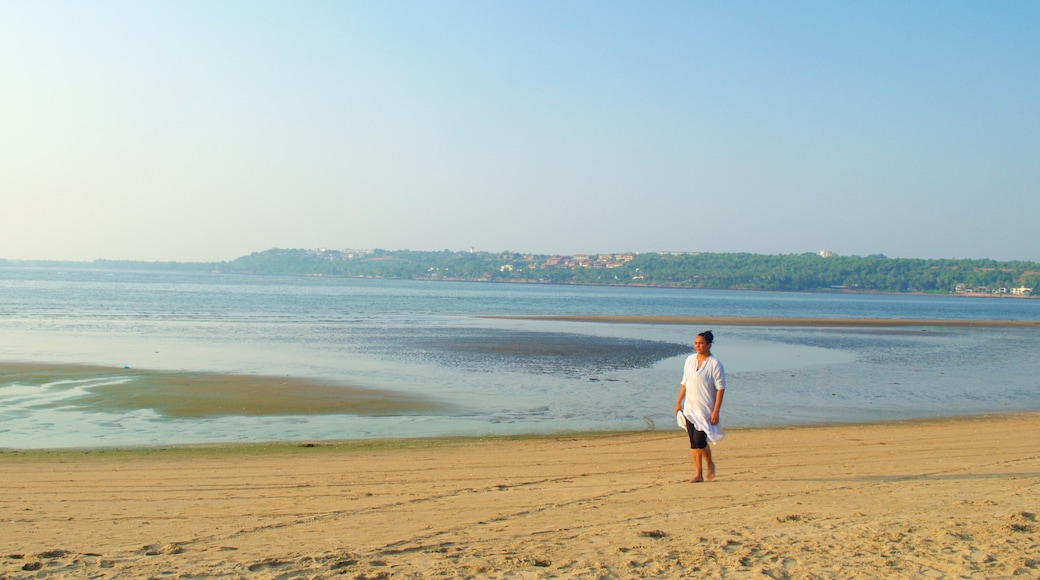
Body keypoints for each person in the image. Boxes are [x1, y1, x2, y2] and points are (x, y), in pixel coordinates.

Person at [674, 330, 725, 483]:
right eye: (696, 343)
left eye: (701, 343)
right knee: (693, 442)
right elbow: (685, 382)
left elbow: (720, 388)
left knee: (700, 440)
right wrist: (678, 401)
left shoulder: (714, 364)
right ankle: (698, 474)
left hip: (705, 409)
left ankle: (710, 463)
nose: (698, 346)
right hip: (690, 407)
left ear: (709, 345)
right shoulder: (689, 360)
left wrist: (716, 411)